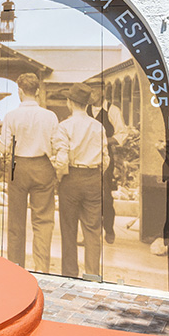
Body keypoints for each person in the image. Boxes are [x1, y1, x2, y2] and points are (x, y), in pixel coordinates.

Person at [0, 73, 58, 273]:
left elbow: (4, 147)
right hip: (43, 166)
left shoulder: (11, 116)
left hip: (19, 167)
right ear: (38, 91)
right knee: (43, 220)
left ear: (20, 91)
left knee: (16, 219)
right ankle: (42, 268)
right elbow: (56, 145)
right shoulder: (50, 116)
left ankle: (15, 267)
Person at [55, 82, 109, 280]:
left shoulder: (64, 126)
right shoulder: (98, 126)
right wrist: (95, 173)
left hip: (71, 178)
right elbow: (106, 158)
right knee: (93, 229)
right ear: (87, 104)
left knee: (68, 229)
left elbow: (62, 159)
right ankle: (93, 274)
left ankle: (70, 274)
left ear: (70, 102)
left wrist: (60, 177)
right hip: (93, 177)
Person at [87, 84, 128, 244]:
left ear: (103, 91)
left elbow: (122, 134)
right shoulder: (85, 110)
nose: (92, 94)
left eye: (95, 90)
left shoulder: (112, 110)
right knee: (89, 194)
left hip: (106, 157)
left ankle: (109, 229)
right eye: (89, 91)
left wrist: (104, 141)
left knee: (105, 194)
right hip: (87, 155)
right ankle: (91, 232)